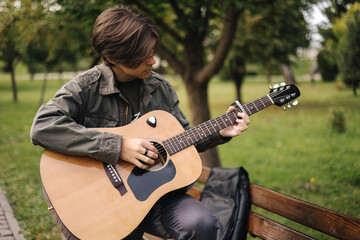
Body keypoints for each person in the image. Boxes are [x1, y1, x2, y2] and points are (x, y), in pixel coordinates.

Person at [30, 5, 250, 240]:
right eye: (143, 56)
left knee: (201, 224)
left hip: (155, 198)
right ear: (113, 57)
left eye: (152, 51)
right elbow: (43, 126)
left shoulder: (161, 88)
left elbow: (182, 139)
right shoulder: (85, 87)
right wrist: (119, 146)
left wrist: (219, 132)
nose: (153, 61)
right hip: (101, 204)